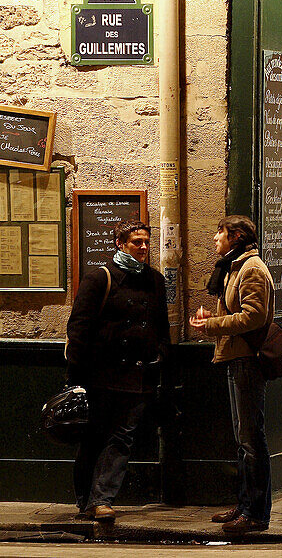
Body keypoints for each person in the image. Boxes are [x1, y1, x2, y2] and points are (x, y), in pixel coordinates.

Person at [65, 220, 169, 522]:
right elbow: (79, 327)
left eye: (147, 242)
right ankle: (86, 499)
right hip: (100, 375)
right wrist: (76, 377)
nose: (144, 248)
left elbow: (161, 325)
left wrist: (160, 355)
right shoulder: (100, 279)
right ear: (119, 244)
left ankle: (102, 499)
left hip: (138, 375)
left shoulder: (155, 280)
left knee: (122, 438)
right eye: (137, 242)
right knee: (93, 437)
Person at [189, 215, 273, 535]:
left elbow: (253, 316)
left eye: (219, 233)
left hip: (247, 360)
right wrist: (216, 317)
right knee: (243, 441)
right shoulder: (235, 267)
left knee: (252, 440)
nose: (214, 238)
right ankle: (244, 504)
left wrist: (211, 324)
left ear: (235, 236)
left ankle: (256, 514)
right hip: (235, 356)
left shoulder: (251, 269)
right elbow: (237, 312)